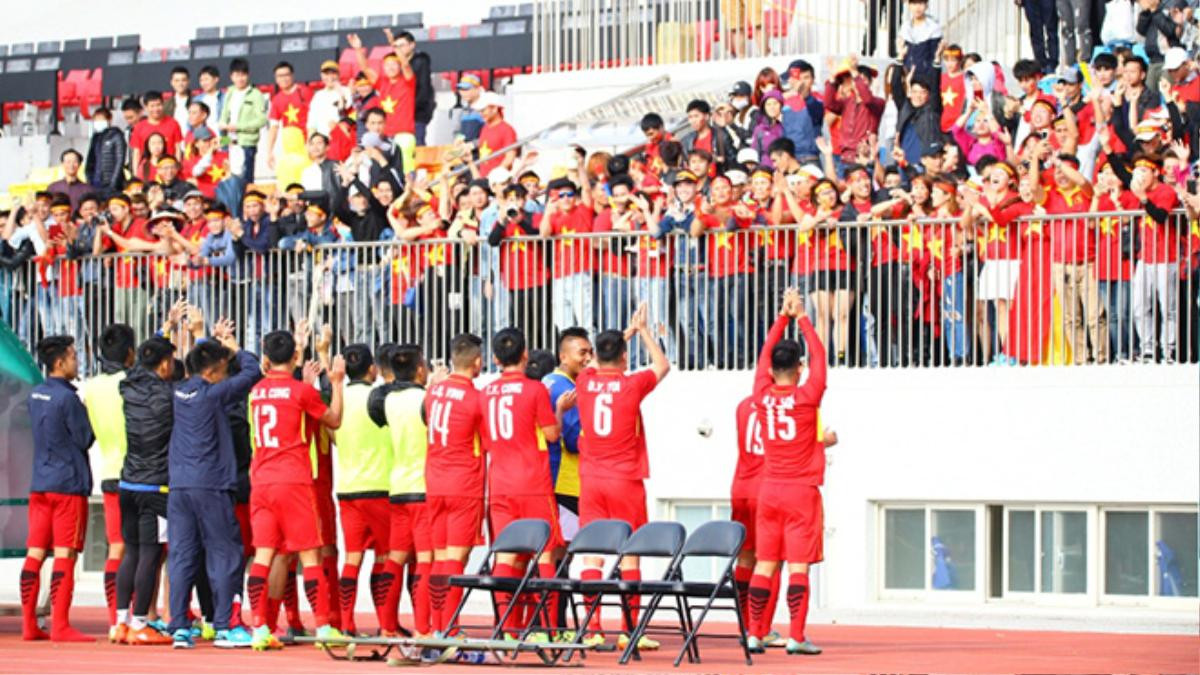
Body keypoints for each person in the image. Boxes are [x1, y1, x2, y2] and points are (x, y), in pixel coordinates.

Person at [574, 303, 669, 650]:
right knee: (630, 554)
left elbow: (597, 362)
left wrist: (619, 338)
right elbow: (663, 365)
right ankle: (631, 630)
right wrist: (642, 330)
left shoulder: (585, 382)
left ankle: (593, 627)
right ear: (626, 357)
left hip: (592, 479)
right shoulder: (632, 384)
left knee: (593, 556)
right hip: (625, 478)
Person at [245, 331, 346, 650]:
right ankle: (324, 627)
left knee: (263, 555)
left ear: (266, 358)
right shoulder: (301, 392)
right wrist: (338, 383)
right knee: (310, 554)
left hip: (262, 480)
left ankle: (259, 626)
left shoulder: (256, 392)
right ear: (295, 357)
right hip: (294, 480)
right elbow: (334, 420)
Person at [166, 319, 262, 648]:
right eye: (223, 369)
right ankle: (223, 624)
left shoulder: (177, 390)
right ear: (211, 374)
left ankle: (178, 625)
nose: (226, 374)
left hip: (179, 486)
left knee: (181, 555)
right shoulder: (214, 394)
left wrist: (187, 335)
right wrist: (237, 349)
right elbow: (251, 374)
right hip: (211, 484)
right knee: (226, 552)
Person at [744, 288, 827, 656]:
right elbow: (822, 356)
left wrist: (781, 318)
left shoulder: (760, 394)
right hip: (801, 491)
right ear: (799, 368)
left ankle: (753, 633)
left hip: (769, 489)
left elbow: (763, 357)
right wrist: (803, 318)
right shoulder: (808, 395)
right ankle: (796, 635)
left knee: (764, 562)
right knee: (798, 567)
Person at [478, 328, 568, 640]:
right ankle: (546, 629)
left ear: (494, 358)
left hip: (500, 483)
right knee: (544, 553)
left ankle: (508, 629)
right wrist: (559, 411)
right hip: (532, 482)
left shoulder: (485, 392)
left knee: (505, 556)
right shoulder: (535, 390)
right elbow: (552, 434)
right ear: (525, 354)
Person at [21, 336, 95, 642]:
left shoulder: (35, 394)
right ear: (60, 362)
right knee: (65, 554)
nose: (77, 361)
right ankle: (61, 624)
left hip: (40, 482)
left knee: (35, 553)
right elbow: (84, 439)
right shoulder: (69, 399)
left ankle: (29, 625)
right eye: (74, 356)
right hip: (67, 485)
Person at [113, 334, 177, 645]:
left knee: (131, 552)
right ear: (164, 364)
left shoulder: (128, 387)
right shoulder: (168, 397)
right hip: (155, 486)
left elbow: (139, 366)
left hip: (127, 482)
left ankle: (120, 622)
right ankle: (140, 623)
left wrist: (162, 334)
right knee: (151, 555)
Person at [329, 344, 395, 636]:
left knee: (352, 558)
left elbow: (332, 433)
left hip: (347, 488)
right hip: (381, 486)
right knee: (384, 558)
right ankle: (385, 625)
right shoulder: (381, 397)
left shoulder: (338, 398)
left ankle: (346, 624)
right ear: (372, 369)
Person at [424, 334, 485, 635]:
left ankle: (438, 627)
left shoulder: (434, 392)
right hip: (464, 484)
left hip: (435, 482)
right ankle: (450, 628)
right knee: (455, 560)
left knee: (439, 557)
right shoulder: (476, 399)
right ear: (477, 362)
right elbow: (488, 440)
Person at [381, 345, 441, 638]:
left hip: (398, 487)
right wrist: (437, 388)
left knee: (396, 558)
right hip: (422, 487)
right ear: (421, 370)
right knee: (425, 560)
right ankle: (422, 626)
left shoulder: (389, 399)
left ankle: (386, 624)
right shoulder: (425, 398)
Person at [82, 323, 136, 640]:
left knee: (116, 547)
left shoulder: (91, 387)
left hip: (108, 471)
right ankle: (143, 615)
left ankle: (114, 617)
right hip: (139, 473)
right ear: (129, 352)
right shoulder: (129, 383)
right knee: (147, 550)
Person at [542, 328, 591, 544]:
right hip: (565, 481)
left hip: (554, 478)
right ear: (563, 356)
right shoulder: (565, 388)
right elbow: (573, 440)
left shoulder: (549, 380)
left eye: (591, 352)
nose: (588, 358)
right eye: (582, 353)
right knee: (561, 551)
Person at [219, 58, 269, 184]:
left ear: (247, 75)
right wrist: (222, 126)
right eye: (237, 75)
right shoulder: (230, 92)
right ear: (231, 76)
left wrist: (239, 127)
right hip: (229, 141)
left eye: (243, 75)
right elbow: (224, 114)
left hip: (246, 144)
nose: (240, 79)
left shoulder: (255, 94)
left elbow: (262, 120)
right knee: (229, 179)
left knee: (246, 181)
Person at [264, 62, 312, 173]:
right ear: (276, 79)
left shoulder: (304, 92)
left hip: (307, 144)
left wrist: (311, 142)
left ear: (292, 75)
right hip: (290, 148)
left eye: (286, 75)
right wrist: (269, 152)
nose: (284, 79)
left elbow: (315, 118)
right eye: (280, 76)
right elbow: (274, 127)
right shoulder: (276, 99)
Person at [130, 91, 184, 169]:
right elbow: (136, 153)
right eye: (152, 106)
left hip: (168, 169)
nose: (156, 109)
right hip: (147, 170)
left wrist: (177, 168)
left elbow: (178, 149)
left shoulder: (173, 123)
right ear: (146, 107)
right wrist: (135, 174)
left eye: (158, 105)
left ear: (163, 104)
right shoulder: (139, 127)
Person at [85, 109, 127, 195]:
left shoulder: (116, 136)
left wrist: (113, 183)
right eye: (96, 120)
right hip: (95, 182)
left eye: (101, 119)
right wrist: (89, 177)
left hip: (111, 183)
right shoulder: (95, 138)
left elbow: (120, 160)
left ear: (109, 120)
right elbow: (91, 160)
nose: (98, 122)